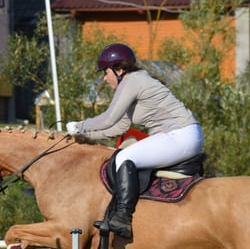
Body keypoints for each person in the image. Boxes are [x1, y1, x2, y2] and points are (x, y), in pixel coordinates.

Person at [66, 43, 203, 238]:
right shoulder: (134, 83)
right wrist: (86, 138)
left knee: (124, 157)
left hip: (180, 135)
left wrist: (79, 126)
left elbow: (108, 118)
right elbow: (119, 127)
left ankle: (123, 217)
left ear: (119, 70)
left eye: (106, 73)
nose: (105, 79)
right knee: (126, 154)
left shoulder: (133, 81)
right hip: (184, 135)